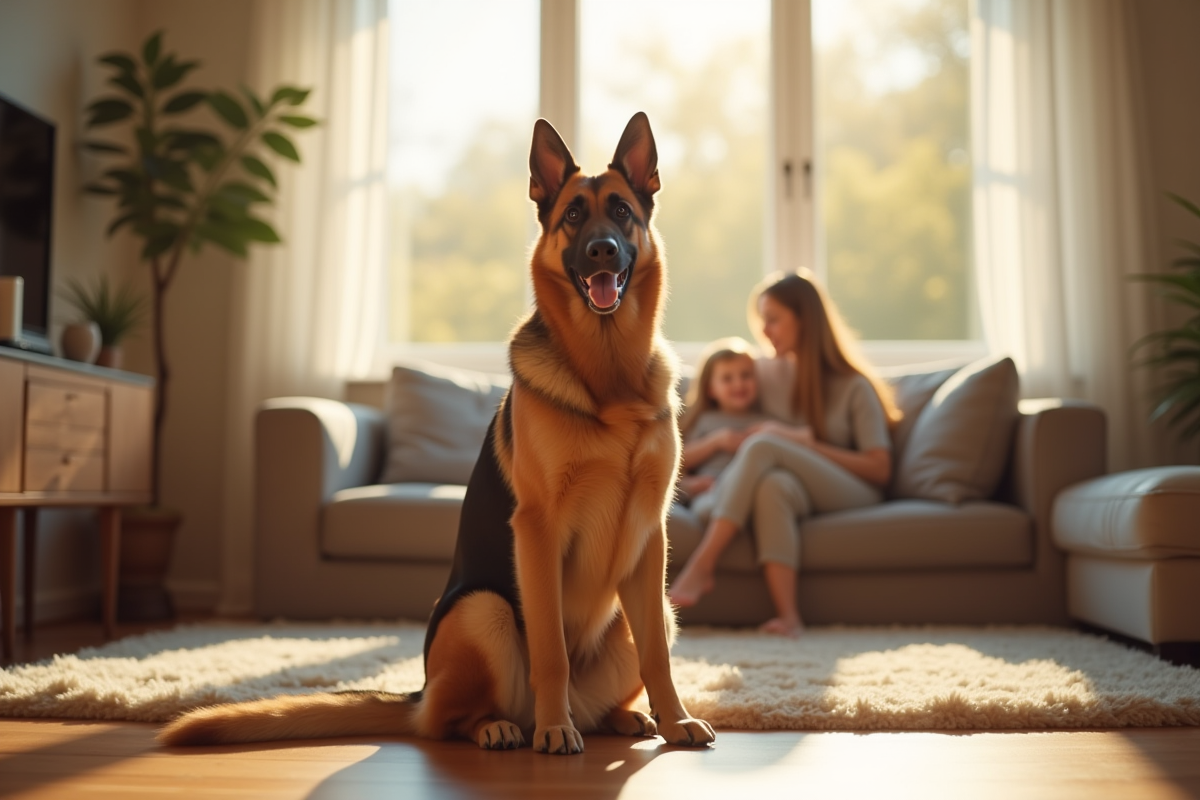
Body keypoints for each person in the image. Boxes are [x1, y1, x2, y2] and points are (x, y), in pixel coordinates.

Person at [667, 269, 901, 637]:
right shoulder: (768, 375)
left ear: (804, 320)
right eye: (761, 321)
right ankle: (789, 616)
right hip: (797, 490)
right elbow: (724, 376)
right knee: (772, 485)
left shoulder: (854, 386)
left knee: (764, 443)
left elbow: (879, 469)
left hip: (854, 491)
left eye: (773, 320)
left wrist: (803, 442)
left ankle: (703, 565)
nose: (764, 331)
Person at [676, 337, 771, 505]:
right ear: (711, 389)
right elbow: (679, 459)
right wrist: (716, 441)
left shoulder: (765, 422)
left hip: (751, 492)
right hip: (712, 491)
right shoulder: (706, 420)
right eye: (727, 378)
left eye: (746, 375)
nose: (739, 384)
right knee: (708, 507)